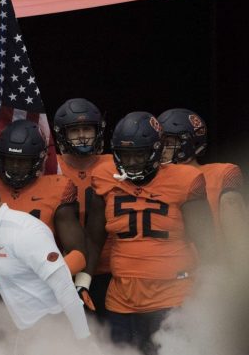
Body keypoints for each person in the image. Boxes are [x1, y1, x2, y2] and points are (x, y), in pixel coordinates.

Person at [85, 112, 212, 355]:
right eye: (125, 155)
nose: (131, 162)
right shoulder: (103, 175)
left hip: (172, 295)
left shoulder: (186, 180)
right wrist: (84, 280)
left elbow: (205, 241)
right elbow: (94, 236)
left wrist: (212, 290)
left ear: (156, 151)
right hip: (121, 298)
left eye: (138, 154)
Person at [0, 173, 91, 347]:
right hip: (27, 332)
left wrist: (84, 340)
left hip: (58, 326)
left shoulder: (25, 232)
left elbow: (64, 287)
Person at [0, 120, 87, 275]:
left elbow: (78, 253)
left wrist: (47, 278)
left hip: (35, 285)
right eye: (10, 159)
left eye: (22, 161)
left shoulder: (57, 187)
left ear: (38, 160)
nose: (14, 166)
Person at [157, 108, 246, 258]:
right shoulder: (151, 179)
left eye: (168, 142)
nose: (161, 149)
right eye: (159, 142)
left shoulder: (221, 174)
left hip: (210, 268)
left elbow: (237, 239)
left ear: (188, 143)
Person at [53, 98, 113, 317]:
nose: (81, 135)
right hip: (62, 268)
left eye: (87, 128)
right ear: (62, 134)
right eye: (74, 130)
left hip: (107, 268)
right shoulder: (50, 167)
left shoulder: (114, 164)